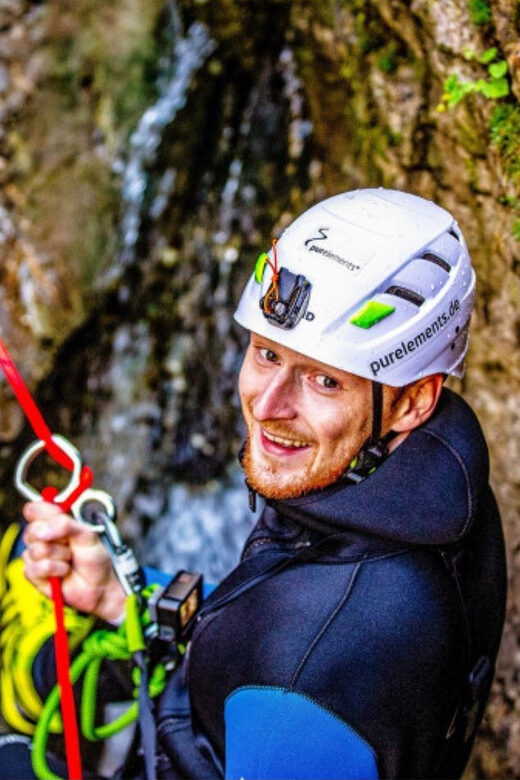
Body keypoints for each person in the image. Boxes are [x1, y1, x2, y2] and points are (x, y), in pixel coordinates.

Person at [0, 188, 507, 779]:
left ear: (414, 400)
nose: (266, 407)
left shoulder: (304, 685)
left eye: (324, 381)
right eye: (267, 354)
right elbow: (281, 621)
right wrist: (120, 598)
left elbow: (295, 654)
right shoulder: (435, 488)